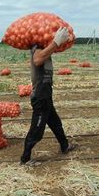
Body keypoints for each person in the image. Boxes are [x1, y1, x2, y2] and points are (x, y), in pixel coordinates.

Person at [21, 27, 76, 165]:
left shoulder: (45, 48)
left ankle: (65, 146)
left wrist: (63, 41)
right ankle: (25, 158)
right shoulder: (37, 48)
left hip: (46, 95)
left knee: (56, 124)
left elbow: (53, 49)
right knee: (37, 130)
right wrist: (56, 42)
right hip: (40, 97)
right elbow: (38, 60)